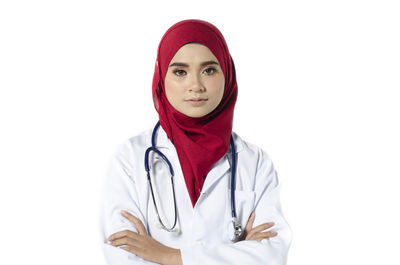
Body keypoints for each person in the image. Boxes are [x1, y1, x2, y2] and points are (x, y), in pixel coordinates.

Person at [99, 19, 292, 265]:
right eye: (180, 71)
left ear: (227, 73)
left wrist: (167, 255)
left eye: (209, 70)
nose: (196, 86)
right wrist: (236, 254)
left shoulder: (255, 162)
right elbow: (122, 253)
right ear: (162, 76)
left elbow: (272, 255)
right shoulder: (129, 158)